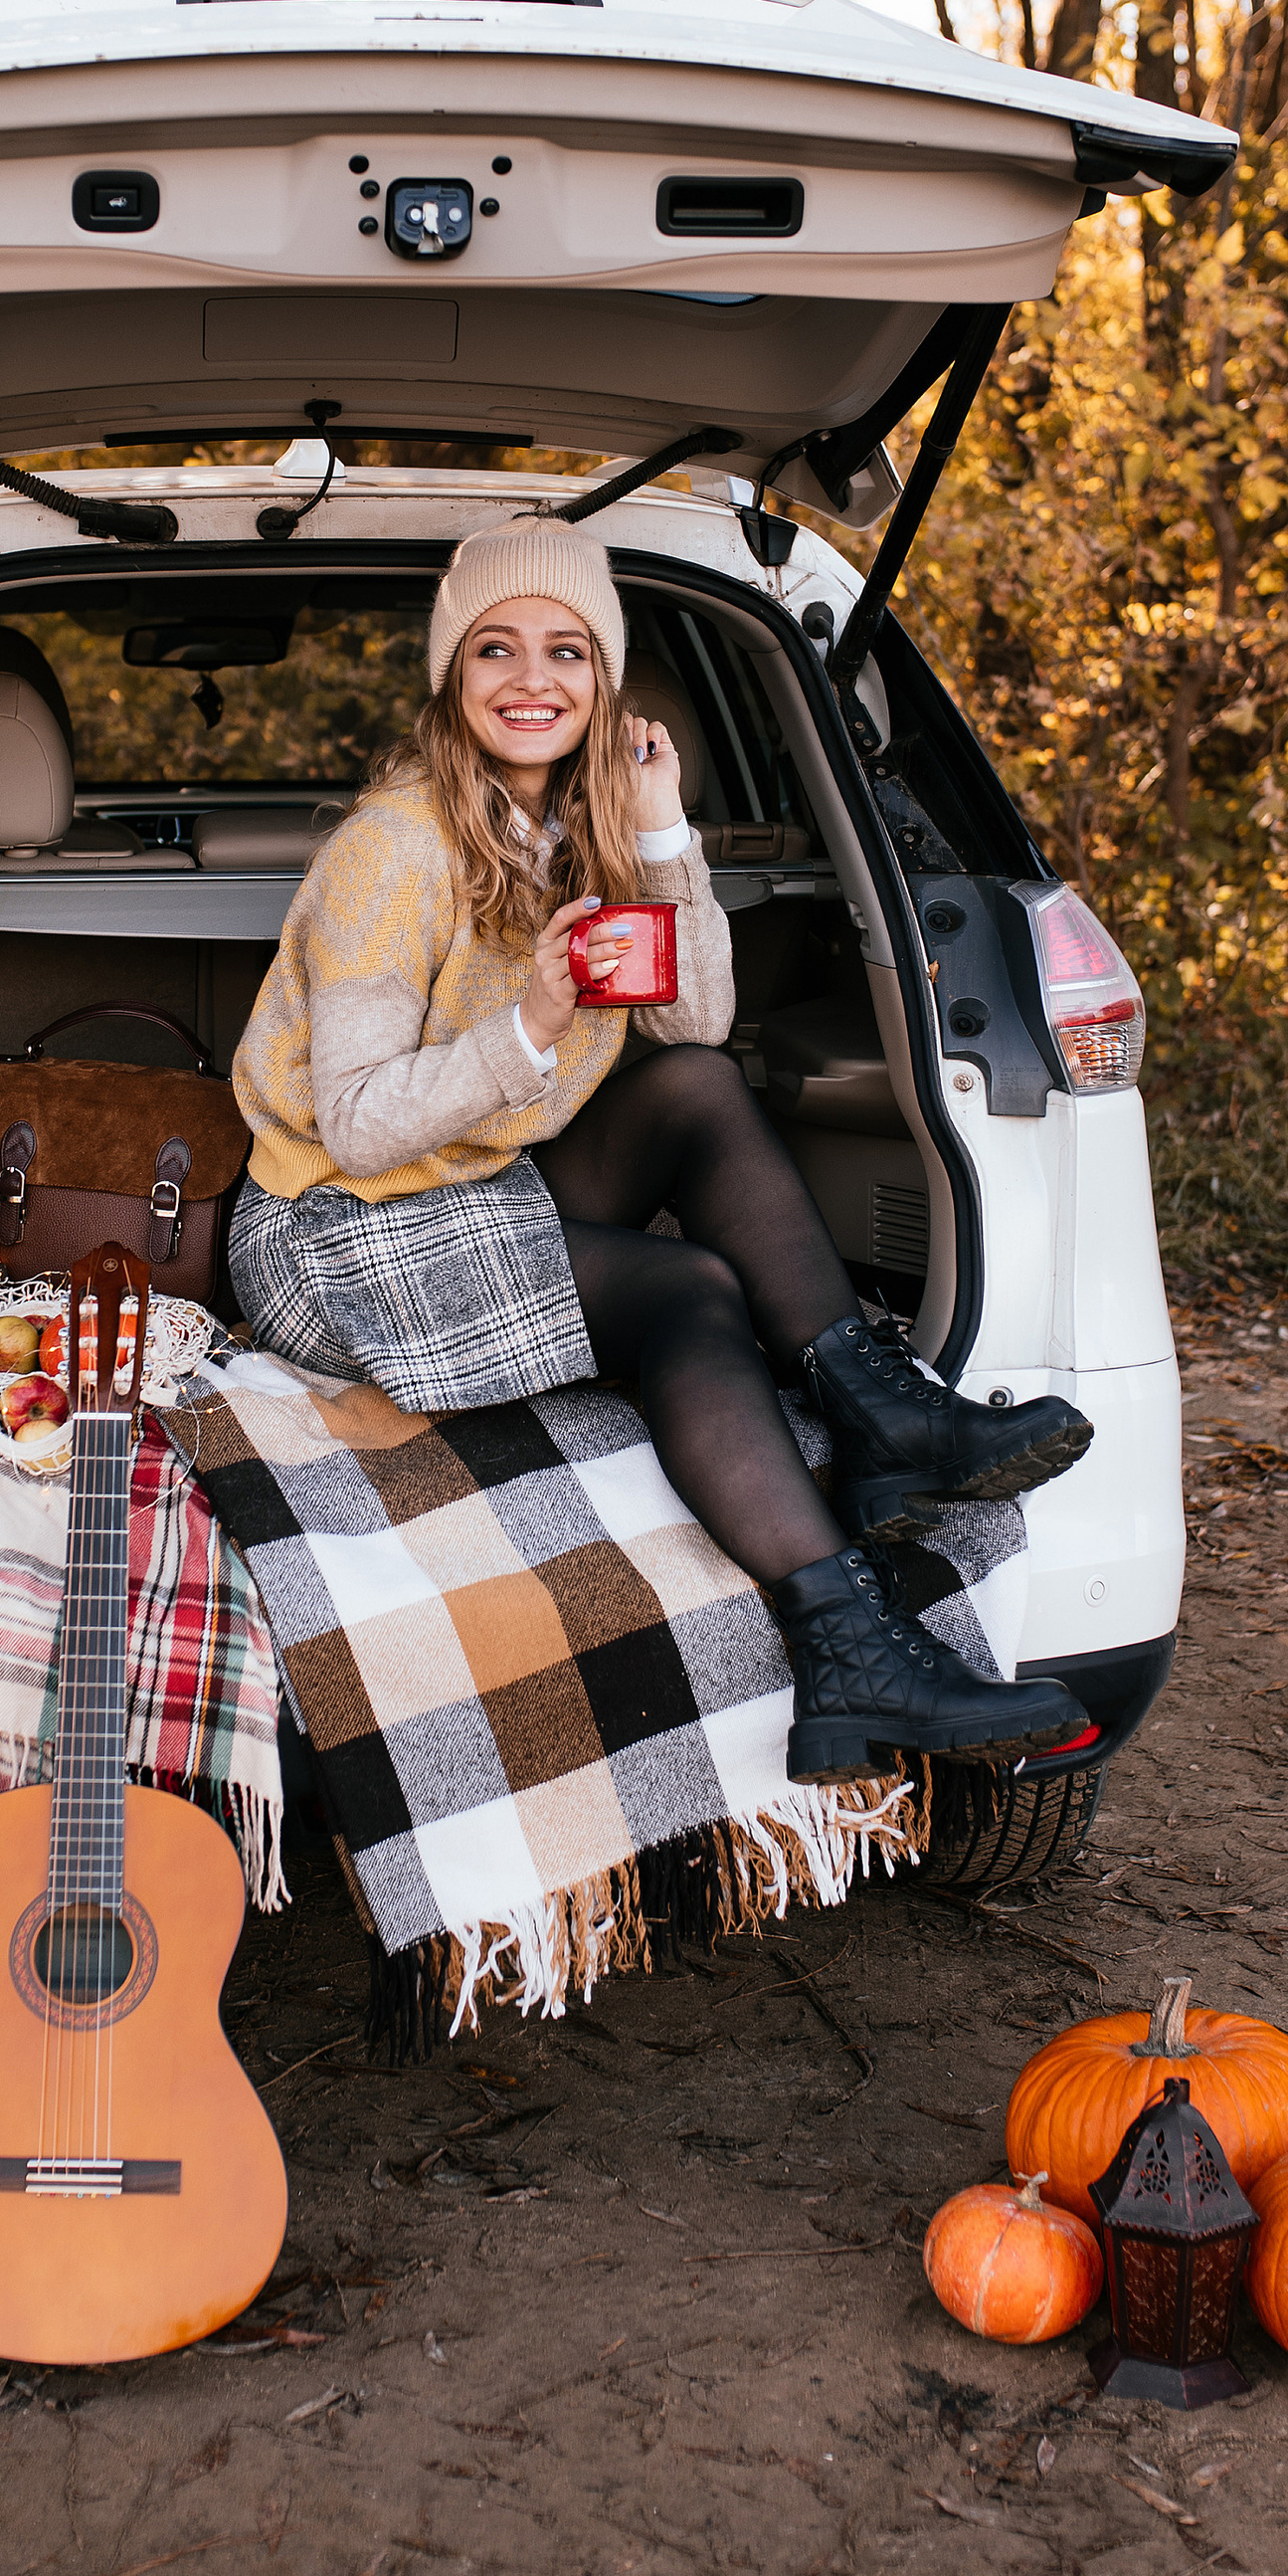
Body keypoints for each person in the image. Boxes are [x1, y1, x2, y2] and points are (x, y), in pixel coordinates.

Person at [228, 522, 1094, 1769]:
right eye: (496, 649)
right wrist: (533, 1019)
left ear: (606, 680)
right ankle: (846, 1649)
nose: (534, 679)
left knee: (690, 1084)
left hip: (459, 1180)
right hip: (334, 1236)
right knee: (687, 1288)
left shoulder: (575, 835)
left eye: (568, 651)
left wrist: (664, 836)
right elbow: (359, 1127)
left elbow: (699, 1017)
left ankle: (876, 1415)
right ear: (450, 676)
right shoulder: (392, 853)